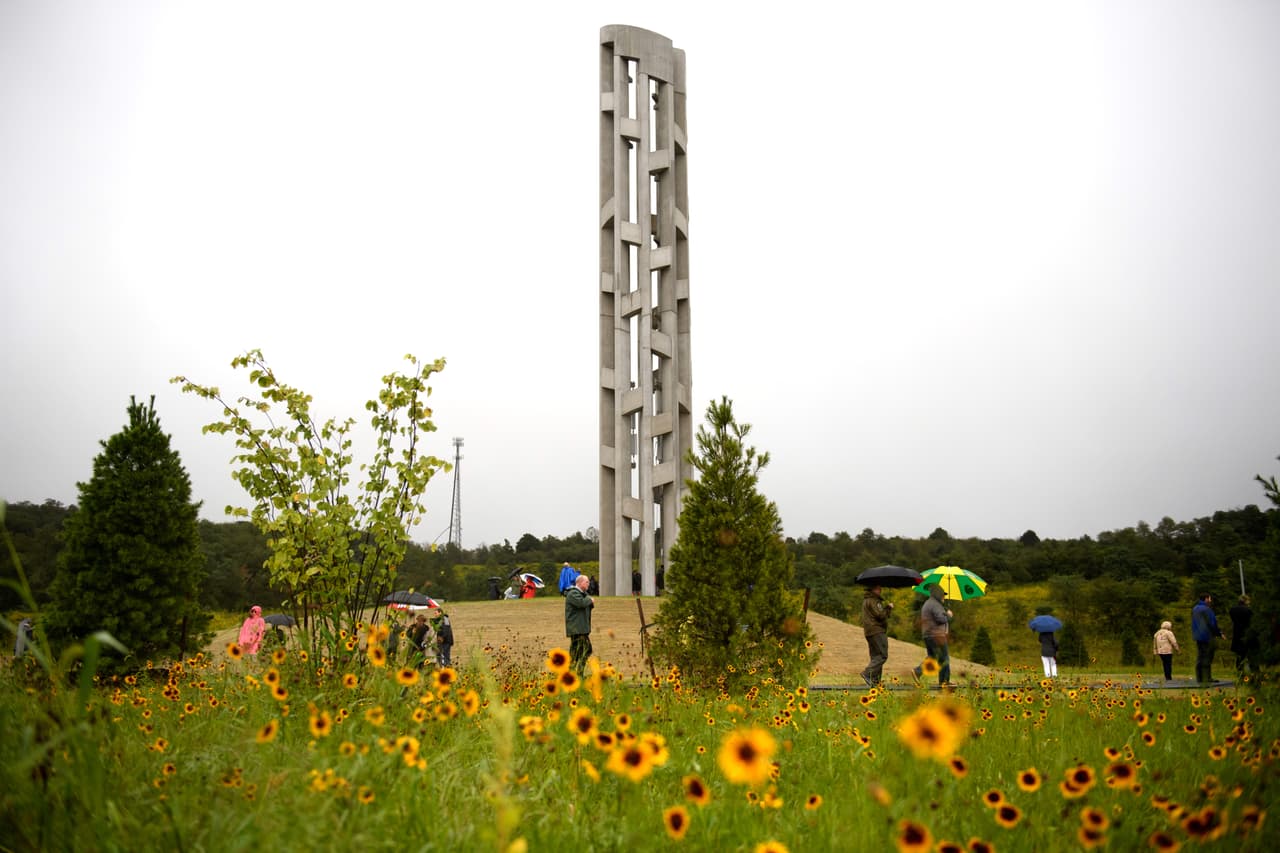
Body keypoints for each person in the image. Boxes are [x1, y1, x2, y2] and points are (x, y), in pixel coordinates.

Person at [913, 585, 953, 687]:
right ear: (937, 594)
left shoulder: (929, 603)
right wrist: (948, 615)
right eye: (943, 595)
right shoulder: (935, 605)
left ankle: (918, 672)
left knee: (933, 657)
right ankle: (945, 682)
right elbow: (940, 619)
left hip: (928, 635)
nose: (944, 597)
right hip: (937, 635)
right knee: (944, 659)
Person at [859, 585, 893, 687]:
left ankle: (875, 681)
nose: (880, 589)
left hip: (869, 631)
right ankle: (868, 674)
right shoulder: (874, 601)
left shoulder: (866, 600)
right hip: (877, 630)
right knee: (882, 655)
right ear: (872, 589)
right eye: (878, 588)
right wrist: (888, 608)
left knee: (875, 656)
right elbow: (880, 615)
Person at [1191, 593, 1224, 684]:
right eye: (1209, 598)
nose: (1210, 600)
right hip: (1207, 636)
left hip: (1198, 636)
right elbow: (1212, 623)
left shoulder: (1195, 608)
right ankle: (1207, 677)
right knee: (1207, 657)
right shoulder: (1207, 609)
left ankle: (1199, 677)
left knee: (1200, 656)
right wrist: (1219, 633)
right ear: (1206, 599)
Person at [565, 574, 594, 676]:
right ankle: (576, 673)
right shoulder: (573, 593)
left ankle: (573, 674)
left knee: (577, 652)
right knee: (585, 650)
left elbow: (587, 605)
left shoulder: (582, 594)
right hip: (576, 629)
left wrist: (589, 600)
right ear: (580, 582)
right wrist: (590, 599)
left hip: (581, 628)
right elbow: (581, 603)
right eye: (587, 582)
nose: (588, 584)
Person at [1229, 595, 1254, 676]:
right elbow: (1252, 622)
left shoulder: (1232, 610)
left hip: (1237, 634)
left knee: (1240, 655)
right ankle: (1254, 671)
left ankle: (1240, 671)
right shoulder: (1248, 610)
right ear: (1245, 601)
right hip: (1247, 634)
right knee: (1251, 655)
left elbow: (1233, 620)